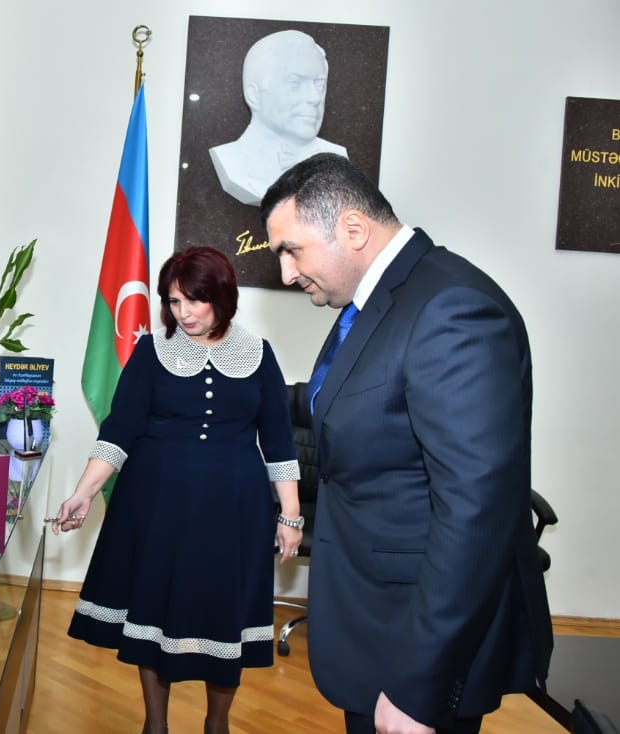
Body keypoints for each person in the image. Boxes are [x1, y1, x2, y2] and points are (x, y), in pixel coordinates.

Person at [260, 153, 552, 734]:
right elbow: (363, 406)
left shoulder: (452, 308)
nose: (287, 274)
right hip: (375, 622)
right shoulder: (383, 300)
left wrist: (422, 685)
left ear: (352, 228)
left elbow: (476, 512)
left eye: (292, 250)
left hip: (418, 647)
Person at [53, 246, 301, 734]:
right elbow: (119, 431)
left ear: (222, 296)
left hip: (234, 511)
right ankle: (156, 724)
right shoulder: (151, 352)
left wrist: (290, 515)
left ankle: (217, 724)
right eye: (173, 301)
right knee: (154, 610)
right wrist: (83, 492)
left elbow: (278, 441)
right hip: (155, 506)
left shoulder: (259, 354)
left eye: (195, 300)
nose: (183, 313)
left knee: (224, 613)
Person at [209, 30, 347, 207]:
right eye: (295, 83)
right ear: (254, 96)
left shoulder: (336, 158)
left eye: (319, 84)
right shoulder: (231, 161)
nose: (315, 97)